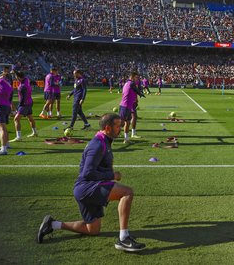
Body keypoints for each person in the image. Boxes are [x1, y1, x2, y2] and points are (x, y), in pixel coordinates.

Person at [36, 113, 146, 253]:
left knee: (92, 229)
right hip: (87, 187)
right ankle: (124, 238)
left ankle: (53, 224)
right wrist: (112, 175)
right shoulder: (98, 144)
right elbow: (87, 173)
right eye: (118, 126)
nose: (121, 128)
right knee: (127, 193)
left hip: (86, 188)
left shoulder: (104, 140)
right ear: (107, 127)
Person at [10, 71, 38, 142]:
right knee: (30, 118)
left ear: (19, 77)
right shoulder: (26, 80)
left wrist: (18, 107)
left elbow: (23, 98)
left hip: (24, 104)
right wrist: (15, 72)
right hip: (30, 102)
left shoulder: (22, 87)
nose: (16, 78)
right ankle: (35, 132)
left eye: (16, 77)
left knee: (16, 119)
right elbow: (22, 75)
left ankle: (18, 137)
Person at [0, 72, 14, 156]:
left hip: (0, 106)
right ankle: (7, 144)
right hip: (7, 106)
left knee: (1, 128)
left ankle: (3, 149)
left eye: (1, 75)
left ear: (4, 76)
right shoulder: (10, 86)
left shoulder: (0, 82)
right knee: (4, 127)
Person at [119, 71, 145, 143]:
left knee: (127, 123)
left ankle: (126, 139)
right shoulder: (131, 83)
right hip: (125, 106)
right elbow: (136, 90)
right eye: (136, 77)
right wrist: (141, 94)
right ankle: (106, 135)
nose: (137, 79)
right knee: (121, 123)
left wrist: (134, 99)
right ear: (132, 77)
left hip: (127, 106)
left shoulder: (127, 83)